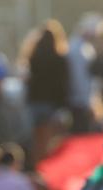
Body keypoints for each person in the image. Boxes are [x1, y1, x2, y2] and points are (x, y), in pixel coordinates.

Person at [22, 19, 70, 162]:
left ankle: (38, 166)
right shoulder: (60, 59)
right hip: (51, 104)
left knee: (37, 141)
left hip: (34, 103)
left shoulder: (33, 58)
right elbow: (63, 84)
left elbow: (28, 81)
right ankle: (47, 168)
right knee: (50, 141)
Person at [66, 13, 102, 134]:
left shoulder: (82, 47)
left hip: (81, 101)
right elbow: (80, 79)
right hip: (80, 102)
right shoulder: (78, 49)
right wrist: (87, 102)